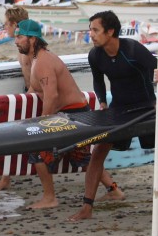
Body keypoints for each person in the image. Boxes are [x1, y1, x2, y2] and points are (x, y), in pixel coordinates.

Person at [14, 19, 121, 209]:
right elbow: (35, 88)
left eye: (19, 36)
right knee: (84, 159)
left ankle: (49, 198)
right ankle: (114, 191)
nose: (16, 41)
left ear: (32, 39)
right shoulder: (38, 59)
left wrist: (41, 125)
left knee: (37, 151)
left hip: (72, 115)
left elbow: (52, 96)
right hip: (75, 112)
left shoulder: (43, 62)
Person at [68, 11, 156, 221]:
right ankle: (87, 208)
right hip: (118, 109)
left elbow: (155, 67)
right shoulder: (95, 55)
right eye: (90, 29)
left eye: (95, 30)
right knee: (98, 151)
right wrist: (103, 103)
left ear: (110, 31)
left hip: (147, 108)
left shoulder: (134, 50)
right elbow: (98, 82)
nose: (91, 34)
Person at [0, 6, 32, 192]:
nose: (4, 28)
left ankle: (5, 179)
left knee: (13, 136)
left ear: (15, 25)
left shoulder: (27, 48)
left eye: (6, 24)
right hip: (31, 93)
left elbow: (36, 75)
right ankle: (5, 177)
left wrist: (28, 98)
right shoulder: (22, 45)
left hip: (35, 95)